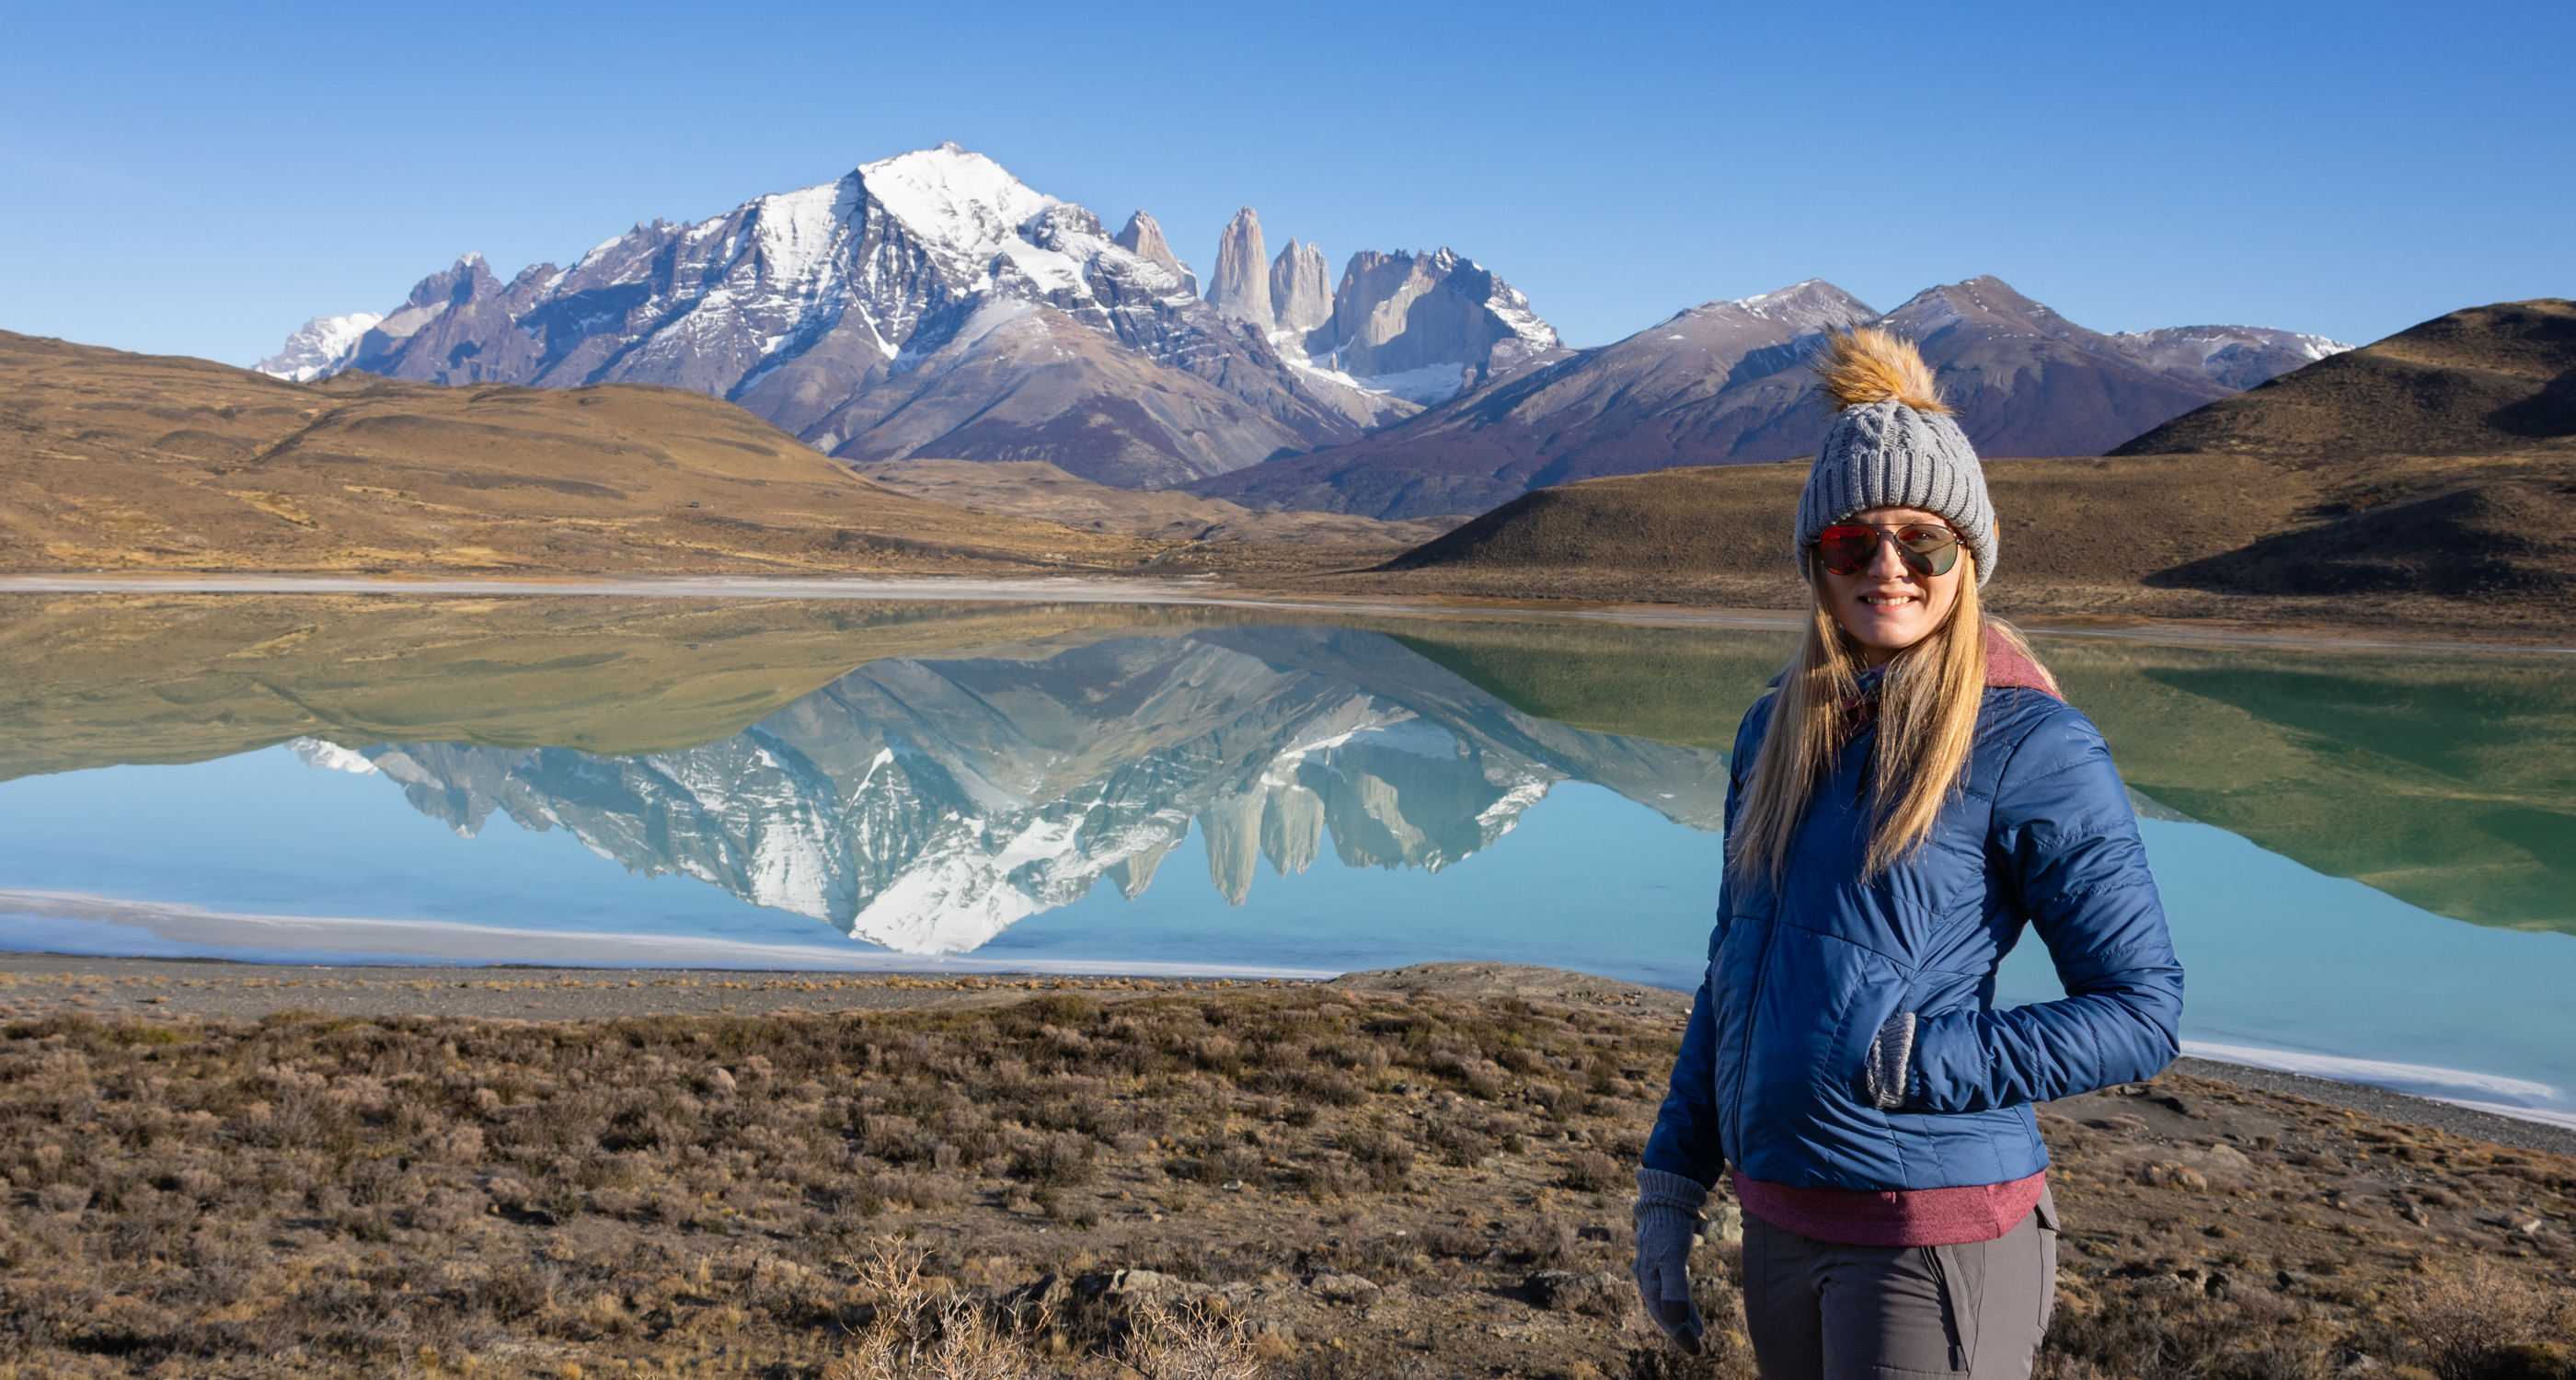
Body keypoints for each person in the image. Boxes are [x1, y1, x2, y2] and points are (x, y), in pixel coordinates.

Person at [1630, 328, 2185, 1380]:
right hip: (1779, 1222)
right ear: (1815, 563)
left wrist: (1923, 1062)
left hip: (1929, 1229)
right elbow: (1734, 971)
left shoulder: (2031, 744)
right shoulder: (1775, 730)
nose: (1886, 567)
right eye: (1851, 542)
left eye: (1921, 542)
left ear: (1964, 559)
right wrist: (1674, 1175)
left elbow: (2141, 1010)